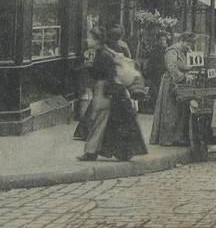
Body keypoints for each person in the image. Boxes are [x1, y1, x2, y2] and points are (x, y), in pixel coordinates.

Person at [78, 27, 149, 162]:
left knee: (99, 120)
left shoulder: (103, 54)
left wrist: (108, 92)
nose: (88, 40)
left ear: (97, 40)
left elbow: (108, 75)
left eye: (90, 38)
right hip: (108, 90)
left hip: (104, 90)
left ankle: (91, 152)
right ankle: (102, 151)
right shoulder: (103, 53)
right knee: (102, 121)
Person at [149, 32, 194, 146]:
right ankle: (167, 138)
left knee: (180, 111)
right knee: (170, 110)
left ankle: (177, 137)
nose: (189, 46)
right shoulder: (172, 51)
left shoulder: (185, 51)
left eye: (190, 44)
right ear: (181, 41)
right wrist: (184, 76)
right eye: (188, 43)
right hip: (170, 83)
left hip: (182, 84)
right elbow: (171, 68)